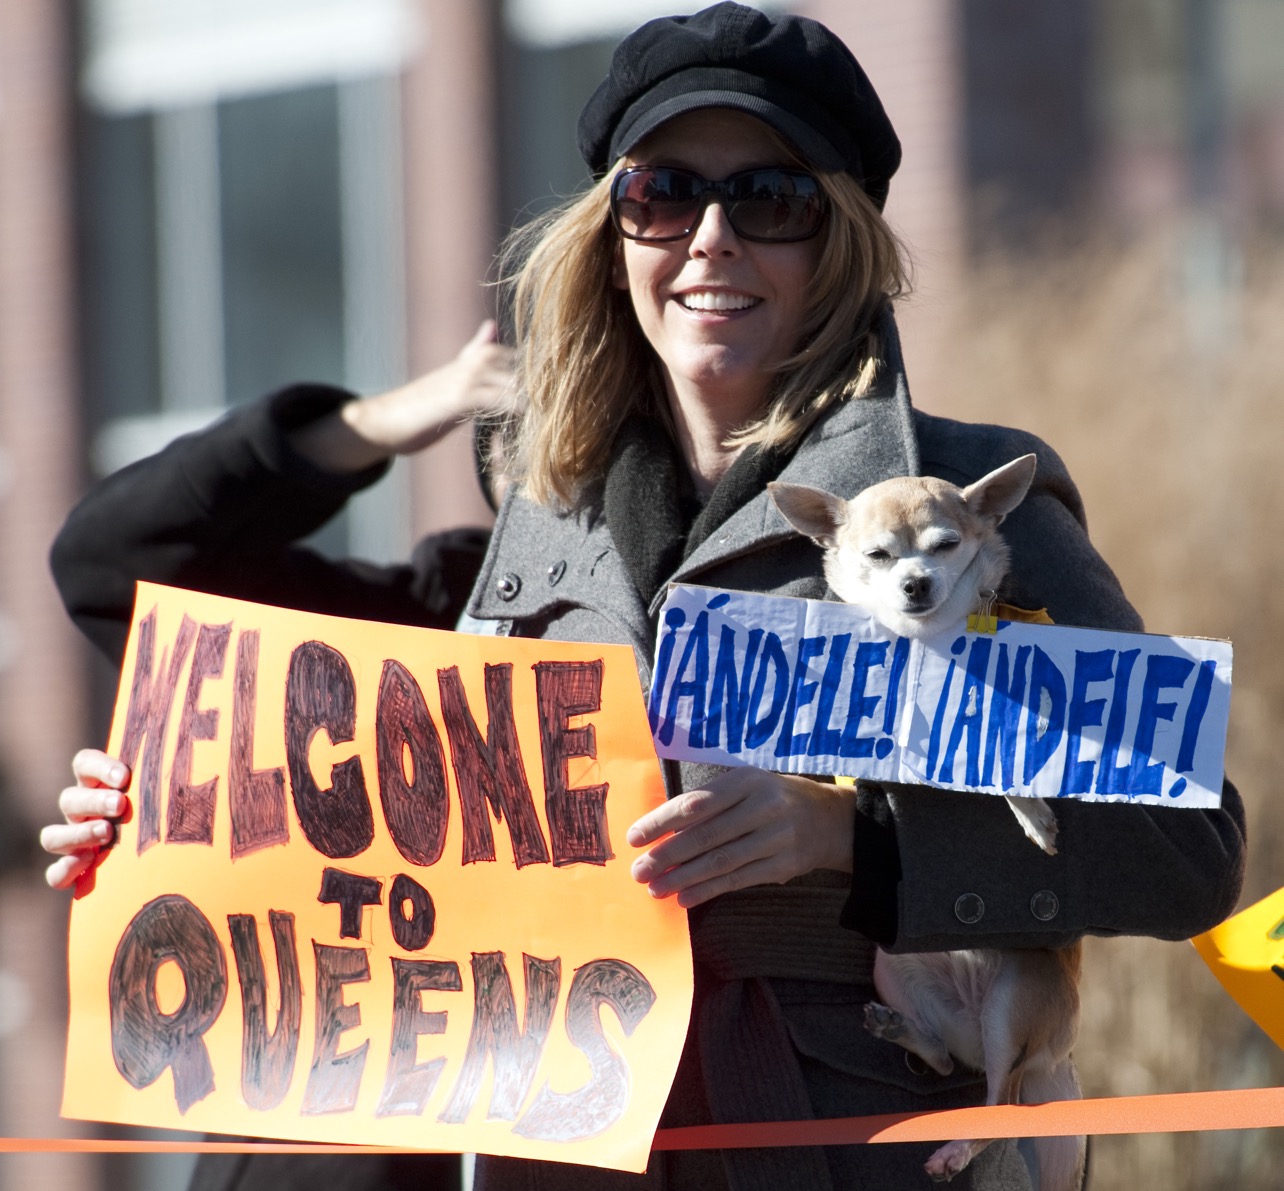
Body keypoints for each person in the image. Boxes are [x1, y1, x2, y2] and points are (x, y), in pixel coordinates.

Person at [42, 5, 1245, 1190]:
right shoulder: (534, 531)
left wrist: (856, 840)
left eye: (771, 199)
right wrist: (172, 823)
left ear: (843, 243)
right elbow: (126, 572)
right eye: (662, 193)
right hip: (553, 1143)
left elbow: (1188, 851)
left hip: (834, 1142)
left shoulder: (975, 511)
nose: (711, 237)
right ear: (613, 233)